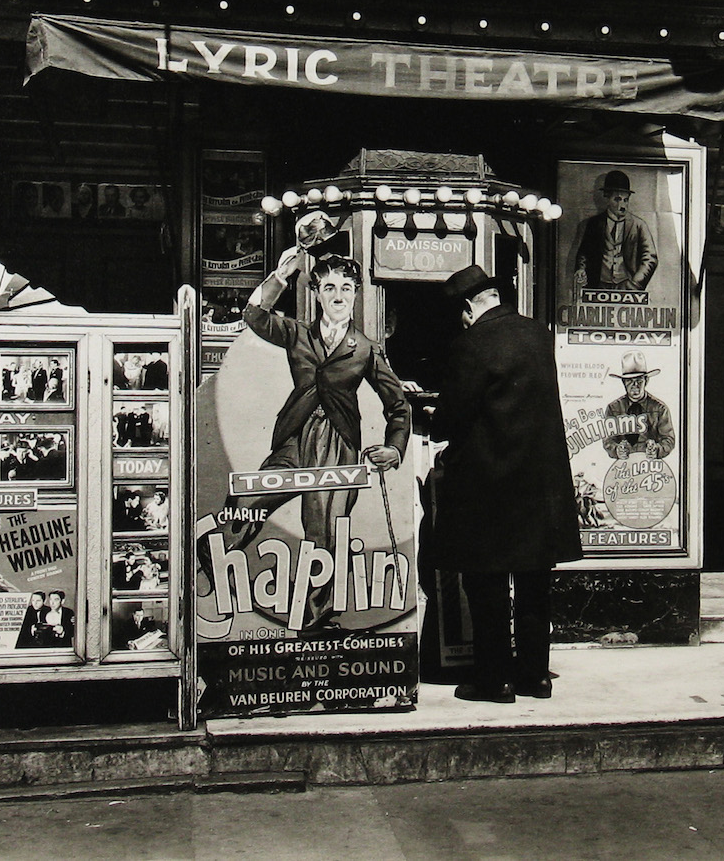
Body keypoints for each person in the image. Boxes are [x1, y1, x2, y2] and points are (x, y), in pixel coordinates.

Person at [220, 244, 410, 629]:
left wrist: (394, 447)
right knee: (247, 498)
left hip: (337, 445)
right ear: (316, 293)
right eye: (329, 288)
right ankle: (214, 567)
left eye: (346, 288)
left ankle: (318, 619)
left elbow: (399, 405)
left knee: (324, 530)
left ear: (356, 294)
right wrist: (280, 276)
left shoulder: (367, 349)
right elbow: (255, 317)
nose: (338, 296)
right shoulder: (297, 333)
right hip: (295, 437)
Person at [431, 265, 583, 704]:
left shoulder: (471, 343)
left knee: (487, 584)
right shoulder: (540, 335)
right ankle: (536, 677)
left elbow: (448, 420)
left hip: (489, 484)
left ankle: (494, 680)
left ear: (467, 307)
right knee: (535, 583)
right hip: (540, 484)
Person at [571, 170, 658, 295]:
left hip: (627, 286)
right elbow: (584, 251)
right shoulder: (594, 224)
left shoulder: (639, 225)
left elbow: (650, 258)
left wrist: (635, 283)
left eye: (625, 200)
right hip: (598, 286)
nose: (622, 205)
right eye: (617, 199)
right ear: (607, 198)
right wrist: (581, 269)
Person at [601, 352, 677, 459]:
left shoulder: (660, 408)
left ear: (646, 381)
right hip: (621, 469)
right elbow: (608, 440)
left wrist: (657, 449)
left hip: (652, 467)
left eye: (639, 380)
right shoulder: (613, 408)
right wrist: (616, 450)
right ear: (623, 382)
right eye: (629, 381)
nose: (635, 385)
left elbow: (669, 440)